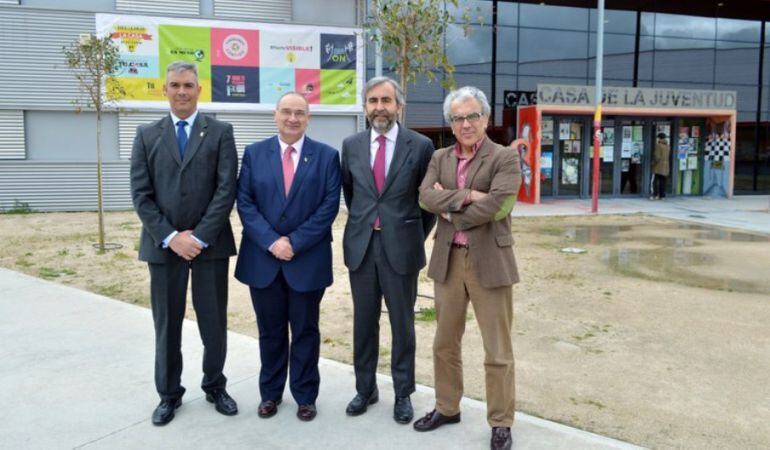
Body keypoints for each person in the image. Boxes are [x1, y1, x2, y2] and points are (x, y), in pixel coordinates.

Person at [130, 61, 239, 426]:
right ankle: (168, 394)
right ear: (164, 89)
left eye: (188, 85)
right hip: (163, 248)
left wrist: (200, 237)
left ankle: (215, 385)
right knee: (167, 324)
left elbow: (226, 191)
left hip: (210, 246)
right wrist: (172, 237)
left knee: (213, 323)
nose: (181, 91)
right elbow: (141, 195)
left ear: (199, 89)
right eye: (175, 85)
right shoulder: (146, 134)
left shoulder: (221, 132)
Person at [416, 86, 521, 450]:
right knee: (444, 342)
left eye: (473, 115)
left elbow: (500, 206)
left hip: (490, 261)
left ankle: (501, 422)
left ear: (486, 118)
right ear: (451, 122)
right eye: (458, 118)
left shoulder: (504, 158)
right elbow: (424, 195)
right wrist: (467, 196)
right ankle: (447, 407)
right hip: (448, 261)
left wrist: (451, 212)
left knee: (497, 349)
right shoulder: (440, 156)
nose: (466, 123)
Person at [234, 92, 341, 422]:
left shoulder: (326, 156)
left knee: (306, 331)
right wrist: (271, 242)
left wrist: (293, 242)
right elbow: (245, 203)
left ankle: (305, 396)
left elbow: (329, 207)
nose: (292, 118)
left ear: (308, 118)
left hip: (306, 260)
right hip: (263, 260)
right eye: (286, 112)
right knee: (270, 331)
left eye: (299, 113)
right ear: (275, 115)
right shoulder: (254, 154)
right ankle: (270, 394)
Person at [341, 76, 435, 424]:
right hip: (362, 248)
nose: (379, 107)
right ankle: (365, 389)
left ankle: (402, 393)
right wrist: (370, 225)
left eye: (386, 100)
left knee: (402, 324)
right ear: (365, 107)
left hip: (402, 249)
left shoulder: (421, 145)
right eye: (372, 101)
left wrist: (409, 234)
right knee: (364, 323)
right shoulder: (350, 145)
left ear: (399, 106)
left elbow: (427, 202)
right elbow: (352, 196)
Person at [651, 132, 670, 200]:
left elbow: (657, 157)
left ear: (659, 138)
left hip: (658, 166)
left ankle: (655, 195)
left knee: (655, 181)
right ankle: (662, 196)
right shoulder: (667, 145)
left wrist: (653, 163)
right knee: (663, 181)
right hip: (665, 166)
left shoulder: (658, 145)